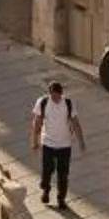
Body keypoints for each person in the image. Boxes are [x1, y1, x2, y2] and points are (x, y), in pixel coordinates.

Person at [31, 79, 84, 209]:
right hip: (48, 142)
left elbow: (75, 122)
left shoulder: (68, 103)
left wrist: (81, 141)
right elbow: (37, 122)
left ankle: (61, 199)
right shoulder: (43, 102)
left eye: (57, 96)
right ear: (49, 93)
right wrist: (35, 140)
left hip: (64, 144)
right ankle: (46, 189)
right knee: (47, 171)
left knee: (63, 174)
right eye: (53, 96)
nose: (55, 99)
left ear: (61, 94)